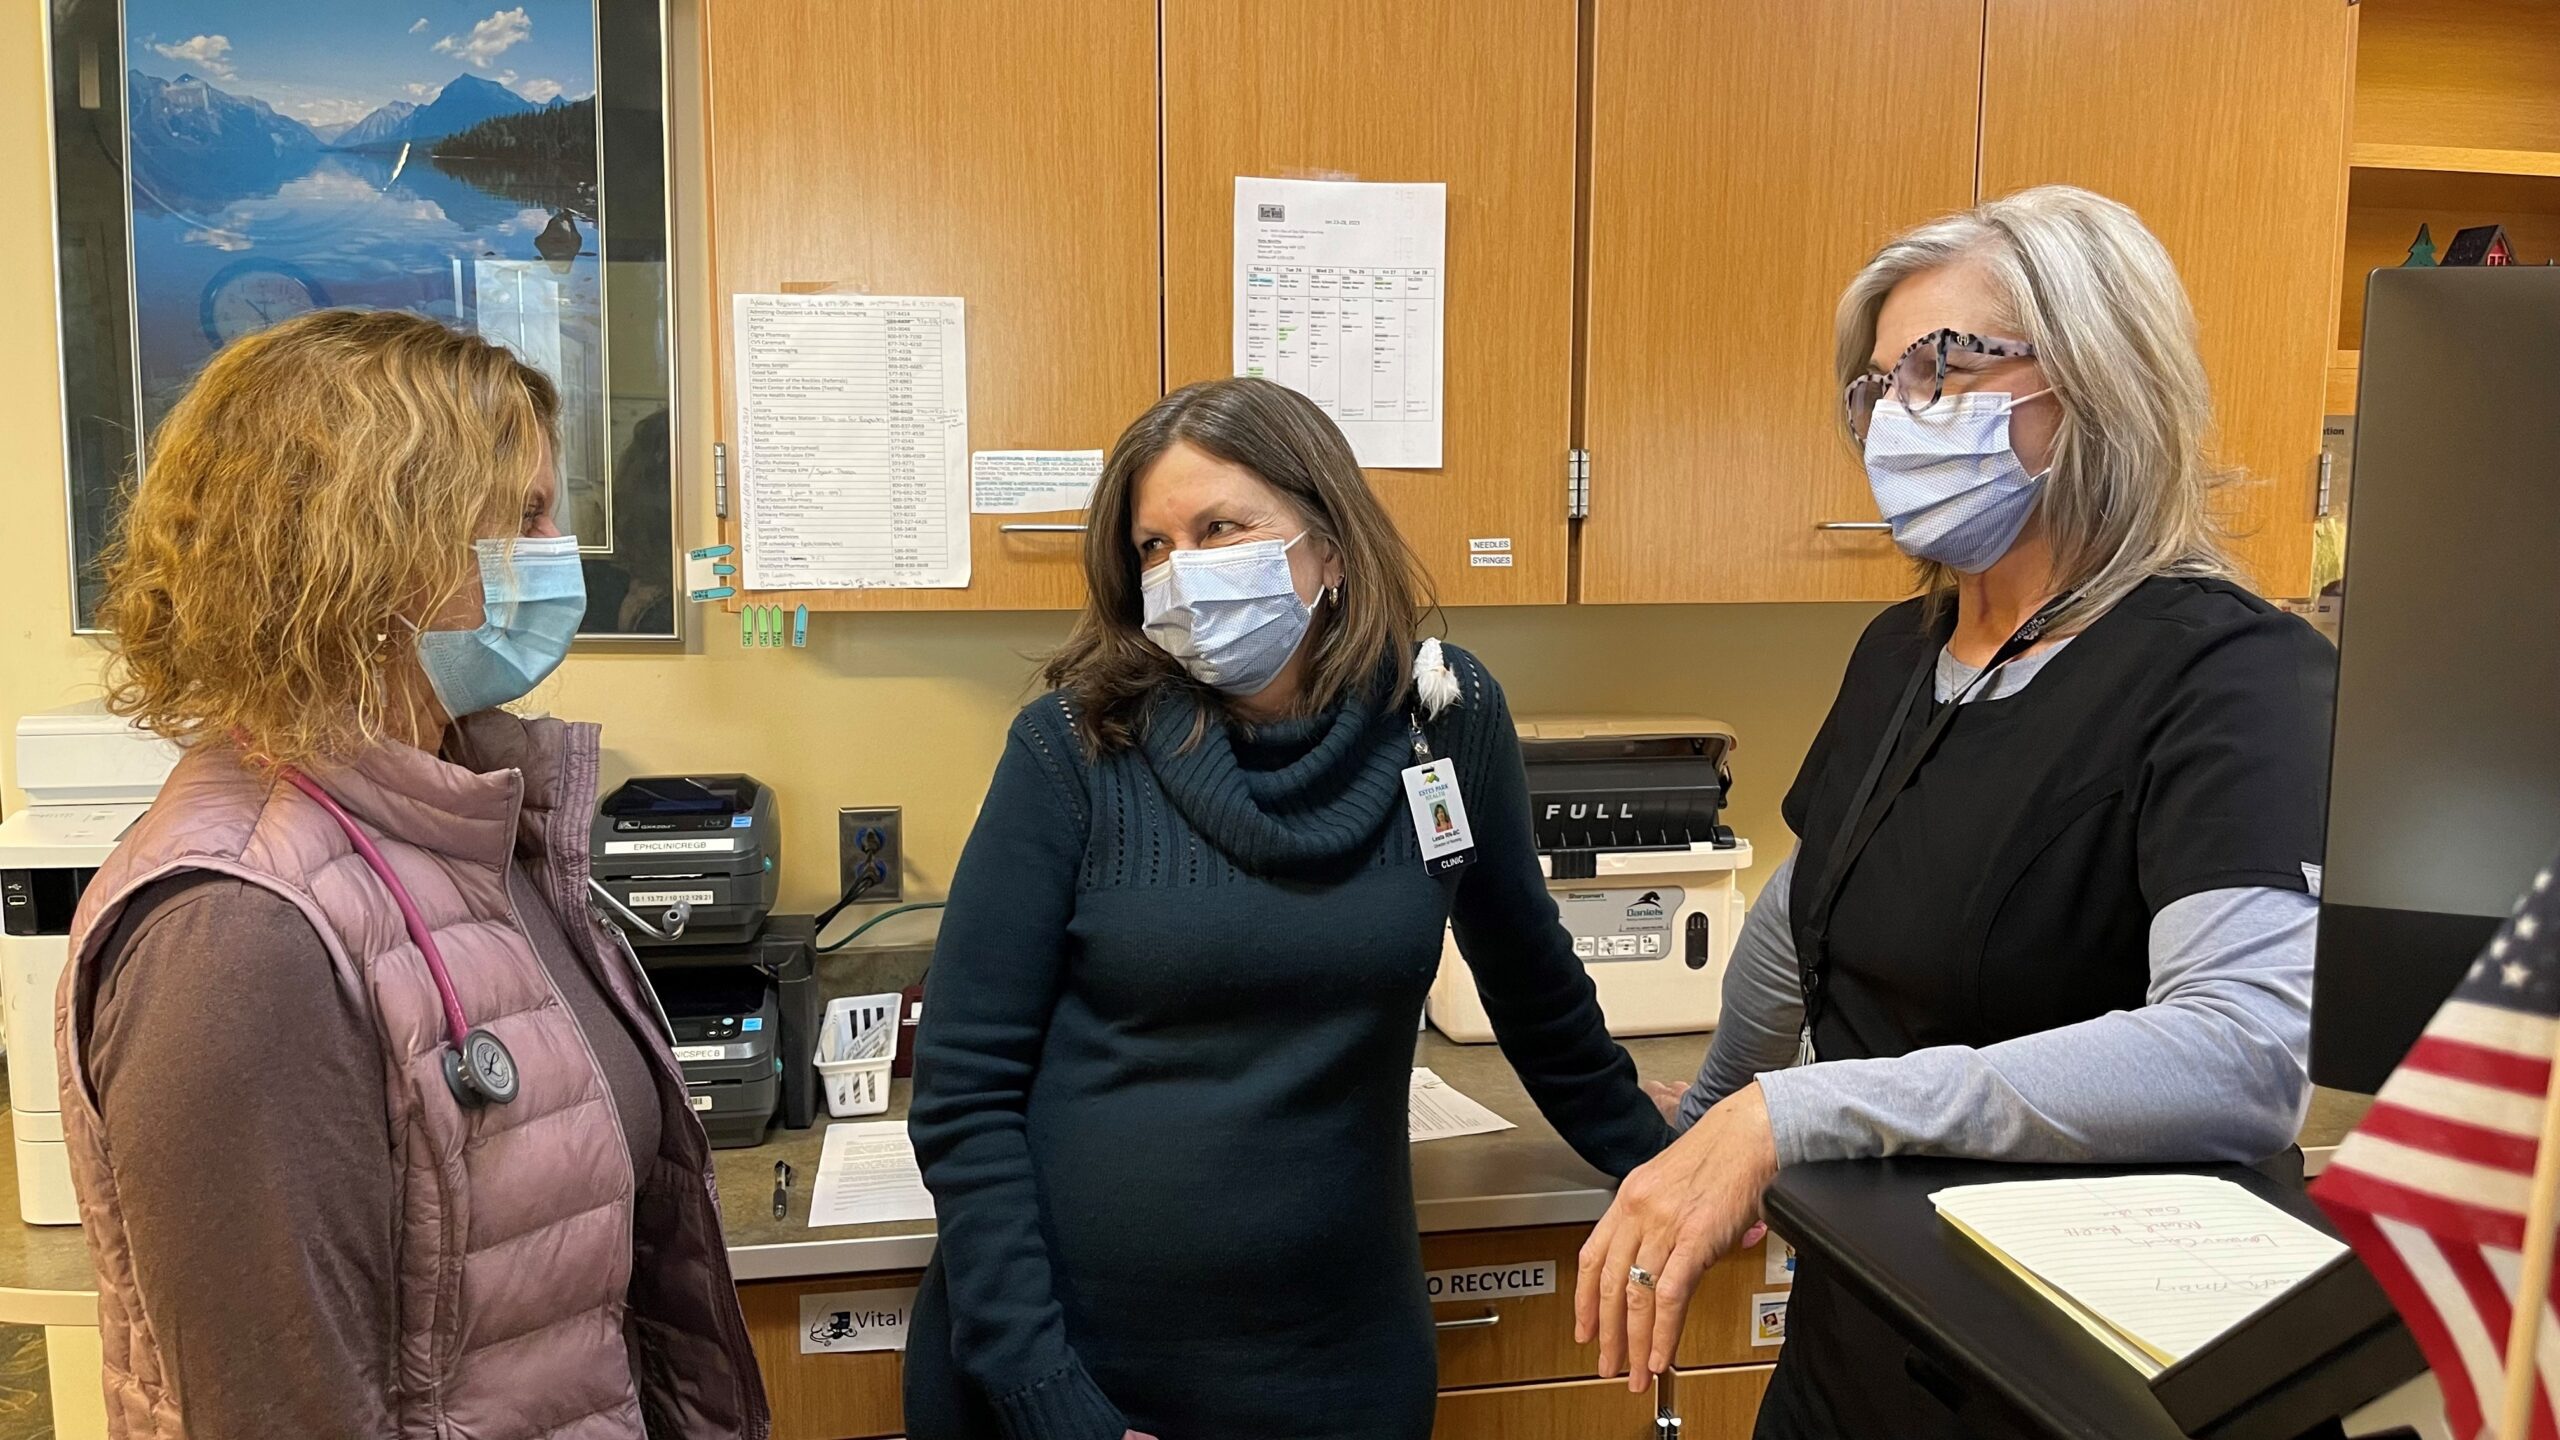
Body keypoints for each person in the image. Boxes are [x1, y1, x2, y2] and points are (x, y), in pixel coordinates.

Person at [1572, 186, 2336, 1437]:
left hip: (2081, 1373)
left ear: (2098, 379)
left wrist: (1793, 1113)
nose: (1895, 419)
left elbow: (2242, 1055)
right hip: (1862, 1332)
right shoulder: (1905, 647)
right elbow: (1808, 903)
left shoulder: (2235, 674)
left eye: (1945, 366)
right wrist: (1712, 1115)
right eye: (1878, 388)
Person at [905, 377, 1673, 1440]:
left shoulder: (1444, 720)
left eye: (1221, 528)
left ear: (1332, 545)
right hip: (1082, 1361)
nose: (1183, 573)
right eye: (1155, 547)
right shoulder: (1073, 748)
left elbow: (1531, 981)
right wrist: (1045, 1395)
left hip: (1339, 1356)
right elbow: (963, 1094)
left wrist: (1663, 1156)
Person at [61, 309, 766, 1439]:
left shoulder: (464, 812)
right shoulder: (236, 937)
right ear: (378, 544)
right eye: (527, 516)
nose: (561, 550)